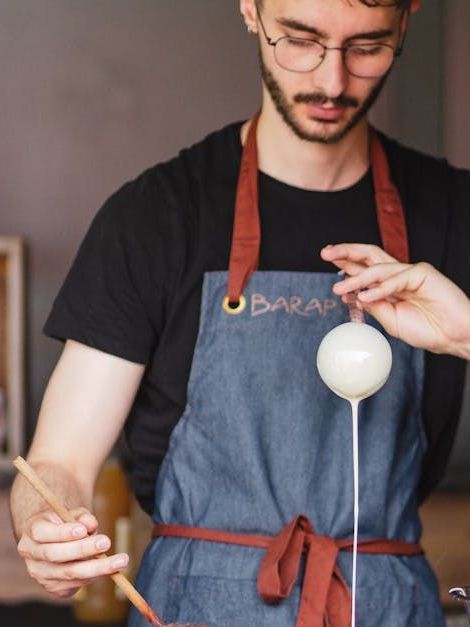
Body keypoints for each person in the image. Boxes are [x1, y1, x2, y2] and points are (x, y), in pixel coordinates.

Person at [10, 0, 470, 625]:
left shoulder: (454, 215)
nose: (332, 81)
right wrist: (46, 527)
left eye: (367, 47)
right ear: (251, 10)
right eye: (301, 40)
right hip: (199, 607)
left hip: (388, 606)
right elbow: (59, 462)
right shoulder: (155, 217)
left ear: (408, 21)